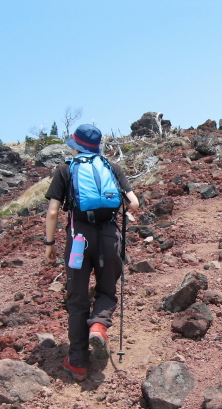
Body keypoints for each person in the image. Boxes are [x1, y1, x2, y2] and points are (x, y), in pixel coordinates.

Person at [44, 124, 140, 381]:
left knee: (77, 300)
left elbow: (53, 212)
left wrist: (49, 244)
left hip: (78, 239)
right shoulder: (112, 167)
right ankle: (98, 324)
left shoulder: (65, 169)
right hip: (109, 237)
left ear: (76, 146)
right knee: (107, 290)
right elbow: (134, 203)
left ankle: (77, 363)